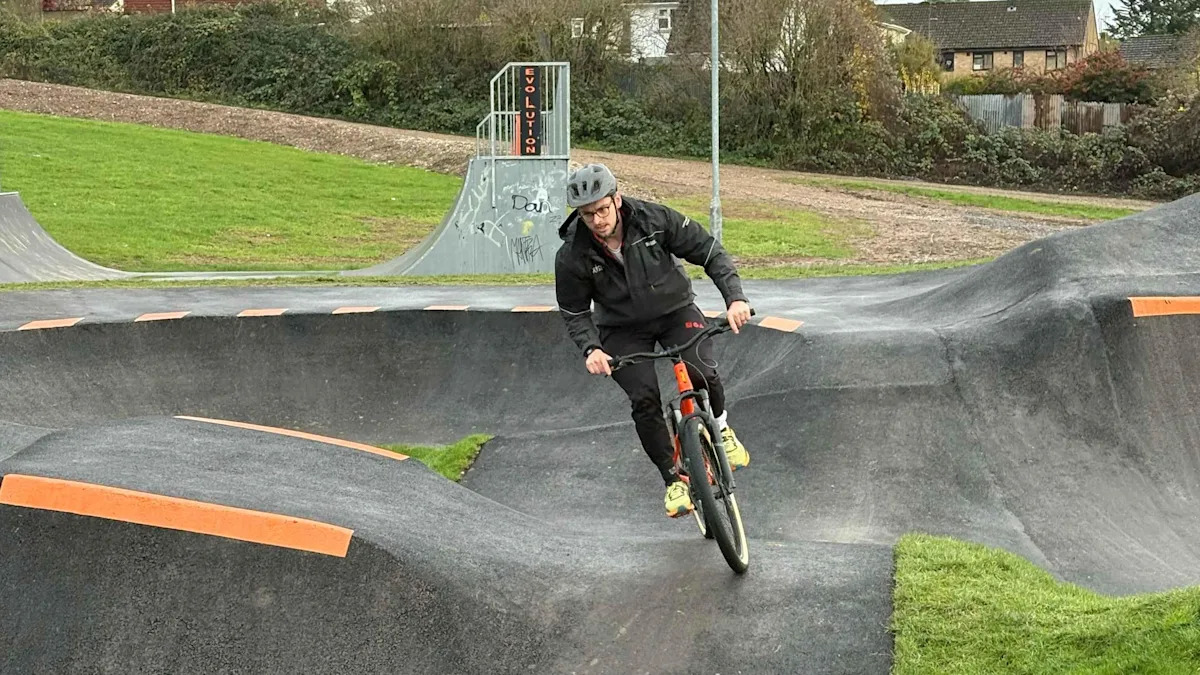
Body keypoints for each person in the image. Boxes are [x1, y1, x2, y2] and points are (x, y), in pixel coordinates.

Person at [554, 162, 752, 518]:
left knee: (701, 371)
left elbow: (709, 251)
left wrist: (735, 298)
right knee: (643, 398)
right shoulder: (572, 254)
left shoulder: (654, 219)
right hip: (622, 330)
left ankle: (721, 428)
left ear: (616, 199)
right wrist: (591, 348)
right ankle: (673, 480)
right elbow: (574, 311)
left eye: (602, 209)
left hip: (675, 311)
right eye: (587, 215)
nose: (597, 220)